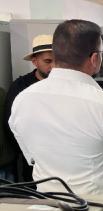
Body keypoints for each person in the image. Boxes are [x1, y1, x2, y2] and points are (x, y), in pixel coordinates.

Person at [9, 19, 103, 197]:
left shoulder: (23, 99)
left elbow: (31, 157)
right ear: (95, 58)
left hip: (48, 204)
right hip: (100, 209)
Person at [4, 34, 54, 183]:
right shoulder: (20, 86)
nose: (54, 66)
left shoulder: (68, 85)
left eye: (58, 61)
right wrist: (29, 153)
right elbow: (11, 125)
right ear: (35, 62)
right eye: (48, 61)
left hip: (65, 157)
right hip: (33, 161)